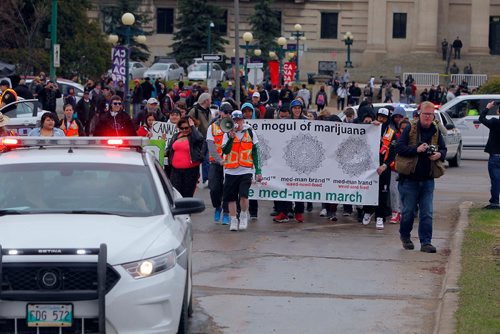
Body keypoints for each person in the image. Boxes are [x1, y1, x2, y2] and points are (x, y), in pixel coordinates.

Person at [396, 101, 447, 253]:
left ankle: (426, 242)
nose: (427, 117)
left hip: (427, 179)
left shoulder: (436, 131)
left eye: (430, 115)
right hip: (409, 179)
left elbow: (443, 149)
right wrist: (416, 149)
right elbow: (399, 148)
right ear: (419, 115)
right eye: (425, 114)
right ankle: (405, 236)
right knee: (408, 212)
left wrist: (439, 154)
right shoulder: (410, 128)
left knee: (427, 213)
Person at [221, 110, 262, 231]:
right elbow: (225, 151)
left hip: (245, 169)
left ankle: (243, 215)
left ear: (243, 120)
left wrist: (258, 170)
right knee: (231, 198)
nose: (237, 122)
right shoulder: (226, 134)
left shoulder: (250, 132)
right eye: (234, 120)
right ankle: (233, 220)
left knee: (243, 195)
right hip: (230, 170)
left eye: (239, 120)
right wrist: (230, 138)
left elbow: (255, 152)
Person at [362, 108, 396, 230]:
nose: (381, 119)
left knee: (383, 193)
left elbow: (393, 153)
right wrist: (369, 126)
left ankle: (380, 217)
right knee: (368, 190)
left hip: (383, 168)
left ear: (388, 118)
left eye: (384, 117)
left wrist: (385, 165)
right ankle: (367, 211)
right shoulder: (370, 128)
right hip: (369, 167)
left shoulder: (391, 133)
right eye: (380, 116)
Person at [206, 102, 233, 225]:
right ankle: (217, 207)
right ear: (220, 112)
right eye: (225, 112)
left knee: (228, 188)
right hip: (215, 162)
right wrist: (219, 160)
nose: (227, 114)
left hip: (230, 164)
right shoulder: (212, 127)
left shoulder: (233, 126)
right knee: (214, 188)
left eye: (229, 112)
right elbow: (211, 146)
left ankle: (227, 213)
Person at [166, 116, 205, 198]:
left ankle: (186, 211)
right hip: (175, 171)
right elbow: (169, 149)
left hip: (190, 171)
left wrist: (192, 126)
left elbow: (199, 139)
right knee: (175, 194)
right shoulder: (176, 136)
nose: (184, 130)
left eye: (186, 128)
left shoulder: (194, 136)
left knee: (187, 195)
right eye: (182, 128)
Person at [479, 101, 500, 210]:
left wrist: (487, 108)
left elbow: (481, 119)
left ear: (498, 112)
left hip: (495, 155)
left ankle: (495, 202)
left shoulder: (495, 122)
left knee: (496, 180)